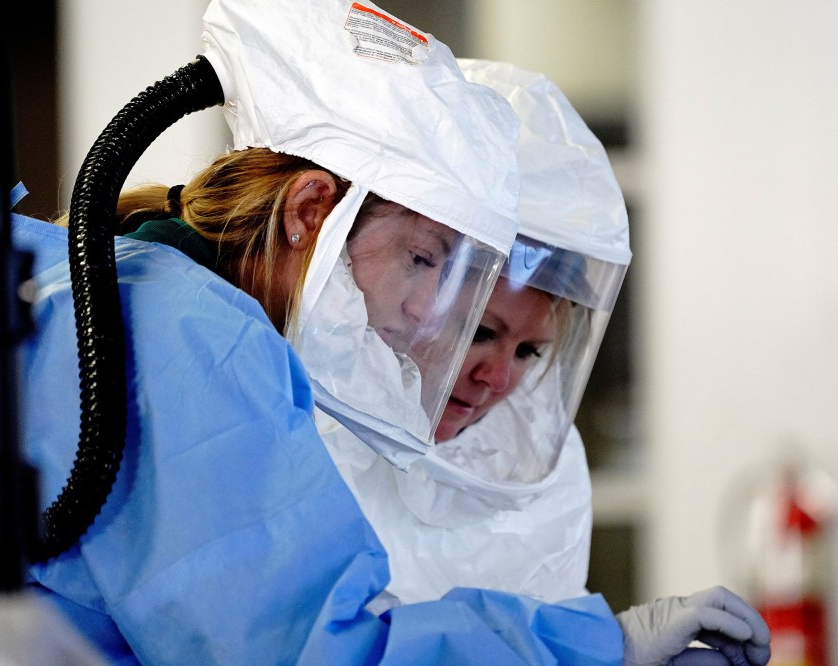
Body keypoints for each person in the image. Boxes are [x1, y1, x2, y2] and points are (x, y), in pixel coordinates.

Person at [13, 1, 640, 662]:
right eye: (423, 260)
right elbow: (311, 650)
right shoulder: (200, 343)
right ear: (312, 211)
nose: (433, 312)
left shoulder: (128, 281)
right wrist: (600, 645)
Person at [318, 60, 772, 666]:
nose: (500, 379)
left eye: (529, 351)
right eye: (481, 332)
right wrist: (597, 649)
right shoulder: (290, 435)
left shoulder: (527, 477)